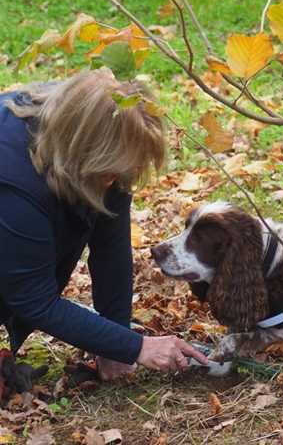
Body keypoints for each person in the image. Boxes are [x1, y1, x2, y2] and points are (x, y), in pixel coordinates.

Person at [0, 69, 209, 380]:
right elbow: (34, 299)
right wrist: (138, 347)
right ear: (82, 153)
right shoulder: (12, 180)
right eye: (109, 173)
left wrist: (117, 340)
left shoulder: (100, 128)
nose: (114, 182)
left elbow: (111, 248)